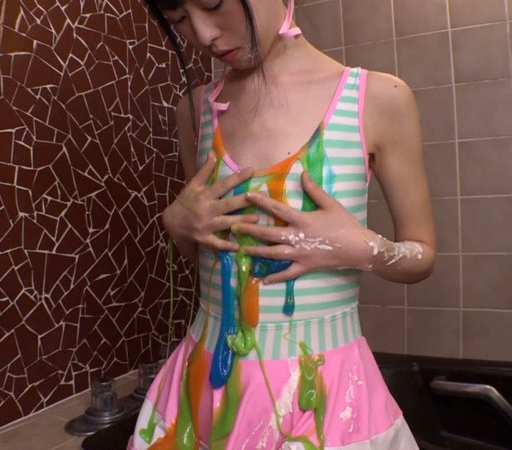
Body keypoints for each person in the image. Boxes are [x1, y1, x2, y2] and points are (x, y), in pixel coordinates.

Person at [130, 0, 435, 448]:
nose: (203, 35)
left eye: (213, 4)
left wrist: (362, 248)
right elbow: (213, 261)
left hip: (325, 397)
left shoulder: (377, 98)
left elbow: (422, 255)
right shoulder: (195, 110)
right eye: (180, 20)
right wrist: (177, 225)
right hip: (202, 393)